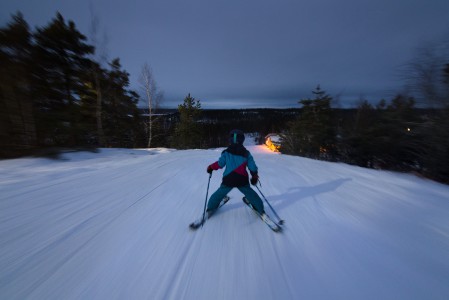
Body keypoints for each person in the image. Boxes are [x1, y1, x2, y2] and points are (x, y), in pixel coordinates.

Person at [206, 129, 265, 217]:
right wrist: (254, 176)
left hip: (228, 179)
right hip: (242, 180)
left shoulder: (226, 153)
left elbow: (220, 164)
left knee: (219, 194)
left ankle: (210, 208)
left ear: (230, 140)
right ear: (242, 140)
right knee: (251, 194)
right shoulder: (246, 153)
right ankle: (260, 209)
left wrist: (211, 167)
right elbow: (252, 167)